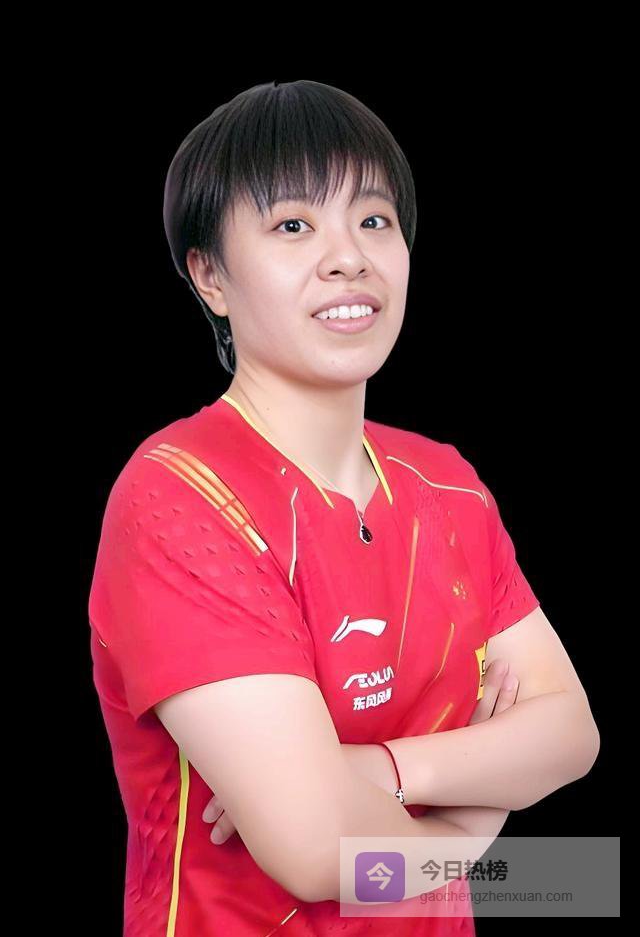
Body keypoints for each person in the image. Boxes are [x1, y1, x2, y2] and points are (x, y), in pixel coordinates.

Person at [88, 79, 599, 936]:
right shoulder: (178, 496)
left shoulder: (446, 482)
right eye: (294, 226)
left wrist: (379, 770)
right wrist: (476, 825)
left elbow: (572, 736)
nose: (349, 257)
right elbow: (321, 852)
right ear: (209, 276)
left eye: (374, 219)